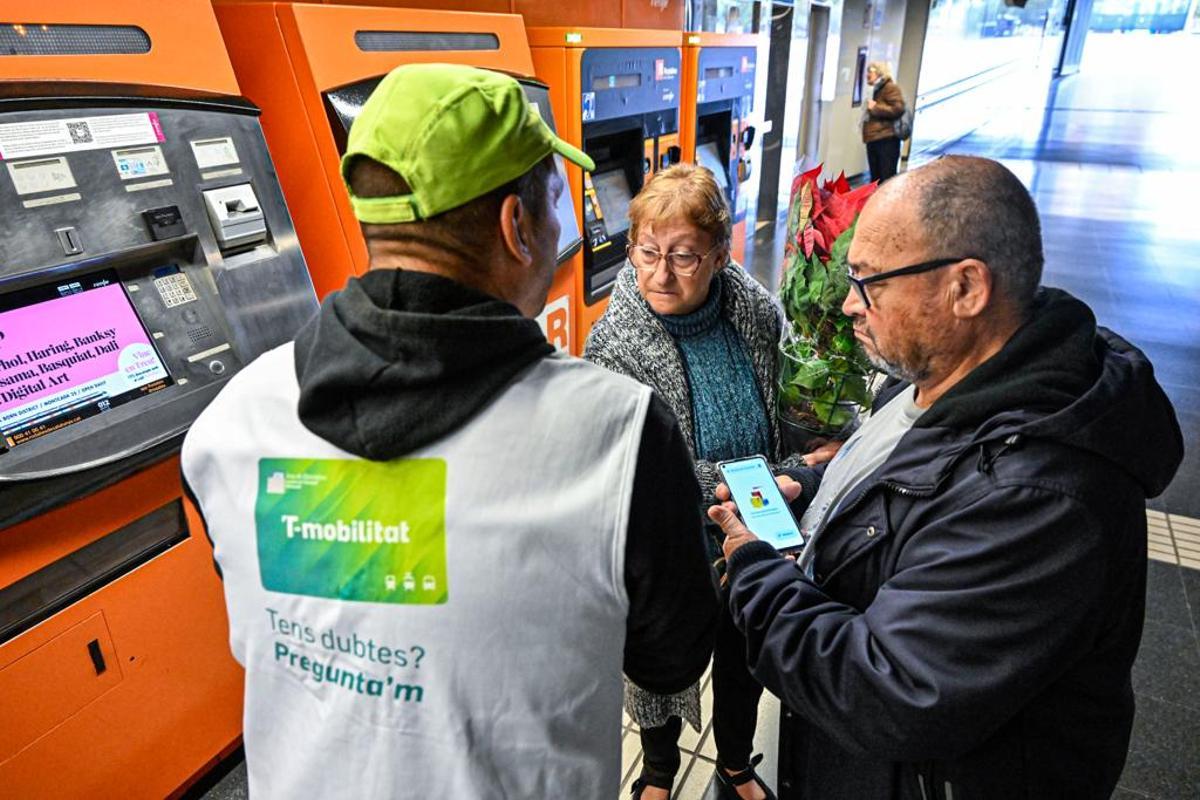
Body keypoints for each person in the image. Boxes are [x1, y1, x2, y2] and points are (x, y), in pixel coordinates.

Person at [181, 64, 718, 798]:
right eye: (554, 199)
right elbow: (673, 658)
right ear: (517, 227)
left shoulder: (230, 423)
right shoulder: (618, 438)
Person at [708, 155, 1183, 799]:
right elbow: (905, 484)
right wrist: (813, 489)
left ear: (966, 288)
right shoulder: (945, 377)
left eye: (869, 281)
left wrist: (755, 570)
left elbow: (887, 691)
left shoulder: (1037, 495)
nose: (849, 304)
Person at [585, 163, 832, 800]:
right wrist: (779, 482)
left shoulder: (751, 308)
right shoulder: (614, 344)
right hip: (672, 540)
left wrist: (812, 442)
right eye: (647, 252)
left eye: (684, 256)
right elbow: (645, 468)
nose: (660, 274)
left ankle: (734, 763)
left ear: (721, 254)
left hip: (755, 528)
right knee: (658, 663)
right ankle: (660, 772)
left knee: (743, 650)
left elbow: (787, 408)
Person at [862, 61, 905, 183]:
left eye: (870, 72)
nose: (867, 75)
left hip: (886, 139)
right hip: (874, 138)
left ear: (880, 73)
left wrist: (876, 108)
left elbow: (898, 108)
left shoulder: (890, 88)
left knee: (886, 177)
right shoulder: (875, 89)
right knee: (876, 177)